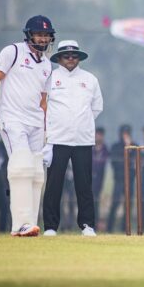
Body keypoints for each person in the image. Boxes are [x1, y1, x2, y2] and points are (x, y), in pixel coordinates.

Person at [0, 15, 54, 237]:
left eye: (46, 35)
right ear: (29, 35)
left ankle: (27, 223)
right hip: (12, 118)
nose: (42, 38)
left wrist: (46, 129)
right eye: (38, 34)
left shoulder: (48, 65)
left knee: (36, 172)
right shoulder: (12, 51)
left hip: (35, 122)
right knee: (21, 165)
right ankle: (21, 222)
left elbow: (43, 101)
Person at [42, 40, 102, 236]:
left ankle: (87, 225)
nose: (70, 59)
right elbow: (43, 106)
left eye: (74, 56)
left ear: (79, 58)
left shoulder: (90, 79)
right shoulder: (50, 77)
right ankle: (50, 226)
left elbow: (96, 108)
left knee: (84, 184)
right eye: (66, 56)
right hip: (57, 139)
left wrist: (80, 123)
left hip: (83, 140)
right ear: (59, 58)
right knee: (53, 185)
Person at [106, 124, 135, 233]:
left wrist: (129, 147)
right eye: (124, 133)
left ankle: (125, 228)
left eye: (127, 133)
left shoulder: (134, 146)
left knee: (128, 205)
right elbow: (115, 163)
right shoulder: (115, 146)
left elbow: (135, 162)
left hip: (130, 179)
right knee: (115, 203)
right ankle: (109, 228)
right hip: (118, 179)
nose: (125, 135)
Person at [91, 127, 109, 228]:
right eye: (96, 134)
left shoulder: (105, 149)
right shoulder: (90, 148)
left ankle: (96, 223)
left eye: (100, 135)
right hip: (89, 178)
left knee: (96, 201)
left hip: (100, 179)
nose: (98, 137)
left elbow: (103, 163)